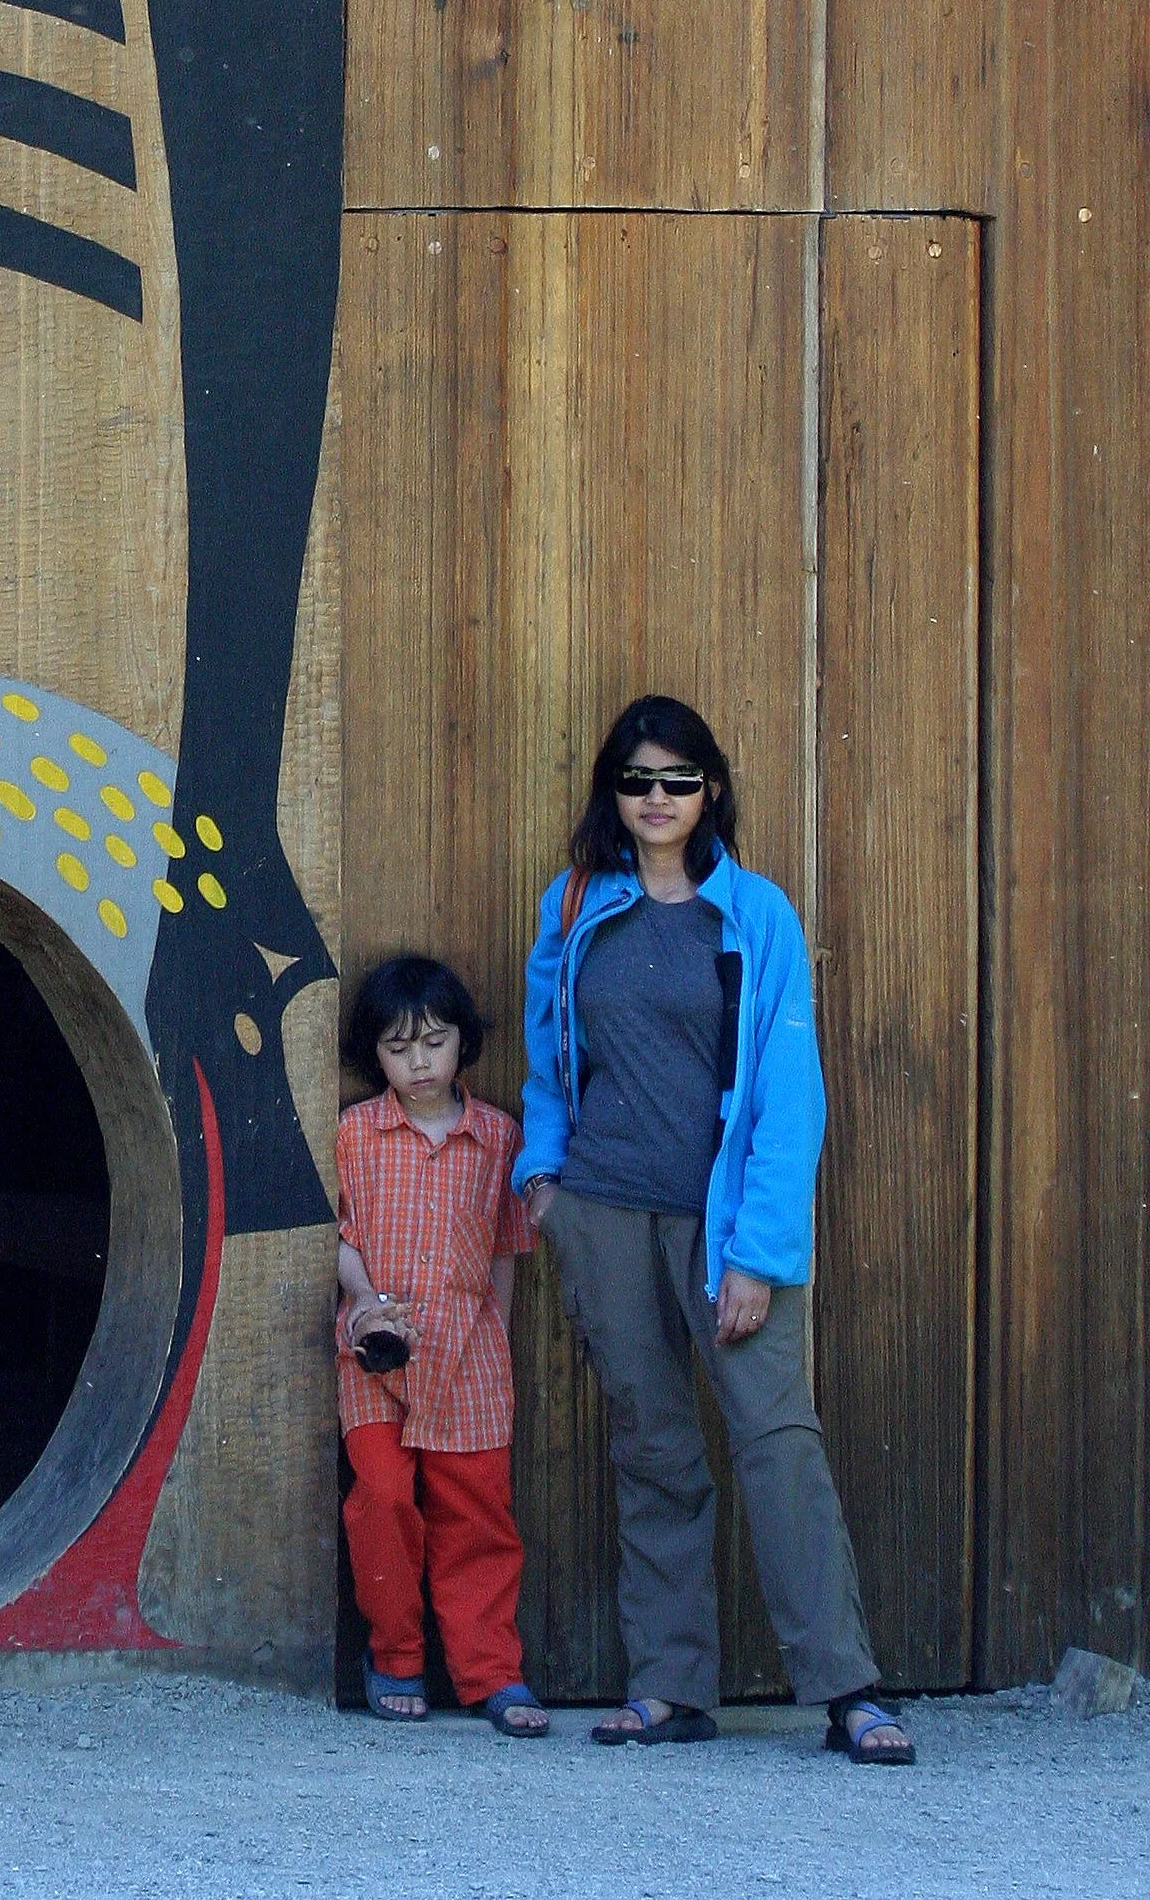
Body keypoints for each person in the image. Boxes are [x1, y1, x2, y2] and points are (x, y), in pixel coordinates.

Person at [517, 696, 913, 1764]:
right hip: (604, 1209)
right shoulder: (573, 903)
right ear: (612, 791)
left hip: (724, 1226)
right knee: (652, 1446)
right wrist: (545, 1181)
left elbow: (790, 1097)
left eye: (677, 780)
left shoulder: (757, 915)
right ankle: (669, 1686)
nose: (656, 798)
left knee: (777, 1444)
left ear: (711, 791)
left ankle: (847, 1691)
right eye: (637, 780)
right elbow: (548, 1057)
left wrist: (757, 1255)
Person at [334, 953, 550, 1739]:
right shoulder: (354, 1134)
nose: (419, 1063)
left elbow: (506, 1253)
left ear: (463, 1041)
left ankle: (490, 1672)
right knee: (384, 1500)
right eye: (398, 1048)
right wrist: (363, 1303)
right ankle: (395, 1654)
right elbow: (338, 1235)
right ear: (374, 1054)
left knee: (476, 1515)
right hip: (375, 1355)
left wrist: (496, 1344)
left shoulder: (498, 1139)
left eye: (434, 1042)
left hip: (470, 1362)